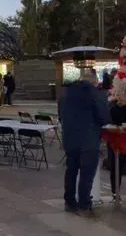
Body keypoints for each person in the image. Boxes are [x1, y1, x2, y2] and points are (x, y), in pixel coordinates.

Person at [59, 71, 111, 217]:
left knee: (71, 170)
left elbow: (61, 115)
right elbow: (104, 117)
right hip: (88, 139)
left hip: (69, 138)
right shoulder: (95, 93)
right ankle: (84, 204)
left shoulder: (66, 94)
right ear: (94, 81)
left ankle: (69, 201)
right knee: (87, 174)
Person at [108, 97, 126, 200]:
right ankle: (115, 192)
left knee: (116, 166)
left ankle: (115, 192)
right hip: (116, 141)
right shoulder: (112, 107)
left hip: (118, 140)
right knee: (116, 166)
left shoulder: (112, 107)